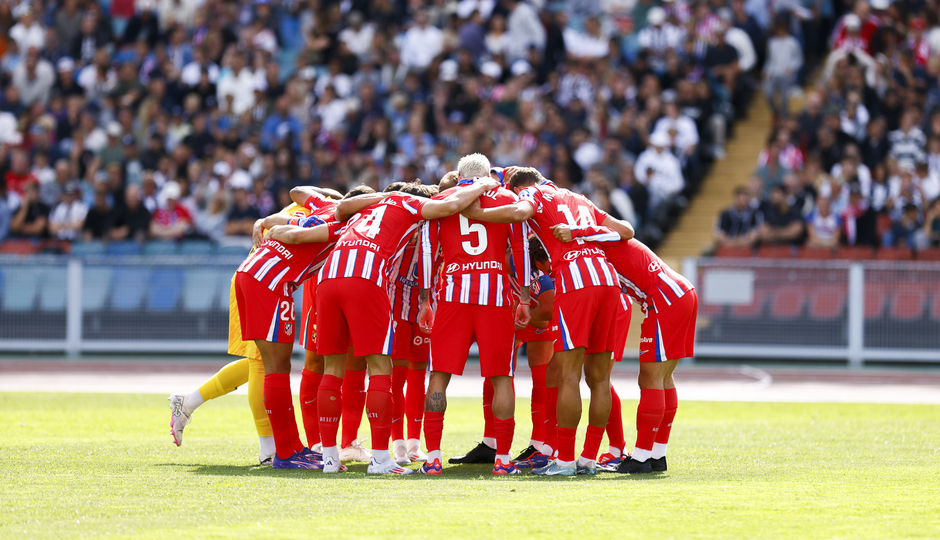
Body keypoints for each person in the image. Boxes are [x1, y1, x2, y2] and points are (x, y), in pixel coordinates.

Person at [312, 174, 500, 475]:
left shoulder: (367, 206)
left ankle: (330, 460)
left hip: (328, 277)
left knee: (332, 370)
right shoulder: (410, 203)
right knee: (380, 369)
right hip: (366, 276)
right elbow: (450, 204)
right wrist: (481, 186)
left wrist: (378, 198)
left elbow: (341, 209)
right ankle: (380, 460)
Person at [463, 166, 634, 476]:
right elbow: (626, 230)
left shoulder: (533, 192)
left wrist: (477, 212)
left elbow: (519, 212)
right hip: (609, 281)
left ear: (521, 187)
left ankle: (565, 460)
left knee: (567, 376)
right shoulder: (579, 198)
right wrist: (581, 232)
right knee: (600, 378)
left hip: (575, 280)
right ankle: (588, 459)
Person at [414, 154, 532, 476]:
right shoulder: (507, 197)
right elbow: (520, 248)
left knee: (438, 375)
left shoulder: (443, 199)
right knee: (502, 377)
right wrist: (523, 296)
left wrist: (425, 300)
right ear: (487, 174)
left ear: (459, 174)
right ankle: (504, 460)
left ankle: (433, 457)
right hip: (494, 296)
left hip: (452, 297)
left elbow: (426, 251)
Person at [550, 228, 696, 474]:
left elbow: (625, 229)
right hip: (678, 292)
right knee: (663, 377)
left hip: (663, 298)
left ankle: (640, 459)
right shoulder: (595, 244)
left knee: (650, 378)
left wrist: (574, 230)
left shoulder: (593, 241)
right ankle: (656, 455)